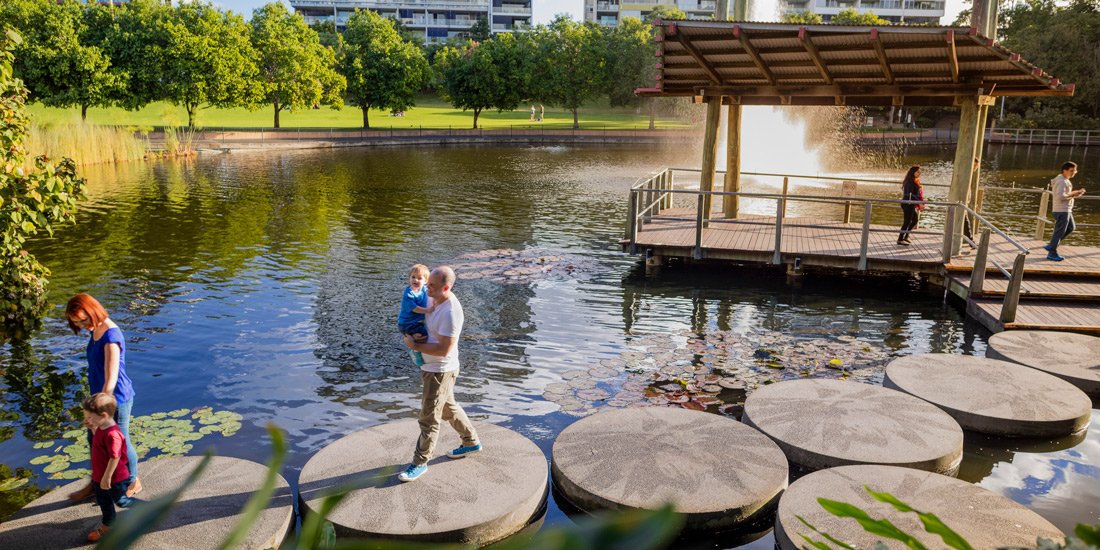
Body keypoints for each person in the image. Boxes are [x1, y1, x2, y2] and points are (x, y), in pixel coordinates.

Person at [398, 266, 480, 482]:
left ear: (446, 287)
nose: (427, 289)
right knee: (447, 407)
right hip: (430, 366)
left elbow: (445, 349)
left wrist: (414, 346)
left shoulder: (451, 312)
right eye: (427, 284)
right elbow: (411, 311)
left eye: (432, 286)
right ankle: (471, 442)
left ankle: (420, 462)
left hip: (440, 370)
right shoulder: (429, 295)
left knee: (428, 417)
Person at [66, 294, 141, 503]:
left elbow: (111, 379)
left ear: (93, 311)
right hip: (99, 397)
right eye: (77, 323)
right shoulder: (96, 331)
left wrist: (98, 411)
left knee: (119, 442)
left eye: (84, 320)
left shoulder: (111, 336)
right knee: (94, 440)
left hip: (115, 399)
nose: (82, 326)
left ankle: (132, 481)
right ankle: (96, 483)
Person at [82, 393, 131, 543]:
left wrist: (107, 477)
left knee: (121, 500)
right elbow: (99, 441)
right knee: (104, 501)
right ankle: (108, 525)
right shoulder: (102, 426)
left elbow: (114, 457)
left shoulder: (113, 434)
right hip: (99, 475)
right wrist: (92, 428)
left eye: (90, 417)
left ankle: (148, 509)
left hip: (113, 477)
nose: (87, 420)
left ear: (103, 415)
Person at [1045, 161, 1087, 261]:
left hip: (1065, 210)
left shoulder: (1063, 179)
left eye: (1075, 170)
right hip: (1062, 210)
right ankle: (1052, 251)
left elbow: (1065, 194)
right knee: (1060, 231)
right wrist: (1074, 195)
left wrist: (1076, 192)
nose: (1074, 172)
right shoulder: (1062, 181)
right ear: (1064, 170)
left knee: (1071, 227)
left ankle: (1052, 244)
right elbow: (1060, 197)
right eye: (1071, 170)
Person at [398, 264, 433, 366]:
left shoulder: (423, 289)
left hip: (415, 322)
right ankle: (415, 351)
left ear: (425, 281)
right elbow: (415, 309)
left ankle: (414, 345)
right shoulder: (409, 294)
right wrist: (428, 310)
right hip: (407, 323)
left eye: (419, 278)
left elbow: (431, 290)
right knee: (423, 335)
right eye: (413, 277)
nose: (415, 280)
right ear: (409, 278)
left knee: (423, 334)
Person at [897, 165, 924, 245]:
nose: (920, 173)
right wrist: (918, 200)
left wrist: (919, 197)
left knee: (915, 220)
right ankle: (900, 239)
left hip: (911, 203)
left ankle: (906, 236)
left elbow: (915, 194)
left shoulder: (914, 181)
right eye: (918, 172)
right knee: (907, 222)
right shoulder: (909, 182)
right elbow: (908, 195)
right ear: (913, 172)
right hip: (907, 204)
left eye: (920, 172)